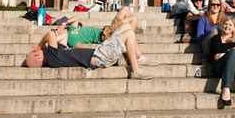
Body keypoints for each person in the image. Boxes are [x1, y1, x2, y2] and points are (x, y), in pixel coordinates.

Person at [24, 26, 153, 80]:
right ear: (39, 57)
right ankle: (135, 69)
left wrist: (50, 43)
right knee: (129, 33)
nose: (42, 50)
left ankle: (138, 59)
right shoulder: (53, 58)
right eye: (38, 53)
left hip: (100, 52)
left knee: (127, 28)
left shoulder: (59, 53)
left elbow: (64, 34)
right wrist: (40, 45)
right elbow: (51, 34)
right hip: (100, 56)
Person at [60, 16, 156, 66]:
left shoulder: (71, 29)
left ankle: (136, 50)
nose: (58, 30)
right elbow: (82, 48)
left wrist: (63, 23)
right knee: (131, 21)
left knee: (131, 18)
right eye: (57, 32)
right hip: (105, 36)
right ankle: (138, 57)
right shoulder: (70, 39)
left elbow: (75, 18)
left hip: (106, 31)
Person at [197, 0, 224, 64]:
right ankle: (206, 56)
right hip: (207, 43)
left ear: (220, 6)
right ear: (209, 5)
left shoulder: (224, 18)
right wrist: (211, 32)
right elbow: (199, 36)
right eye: (213, 4)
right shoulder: (203, 18)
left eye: (218, 4)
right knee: (214, 31)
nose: (215, 6)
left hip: (220, 43)